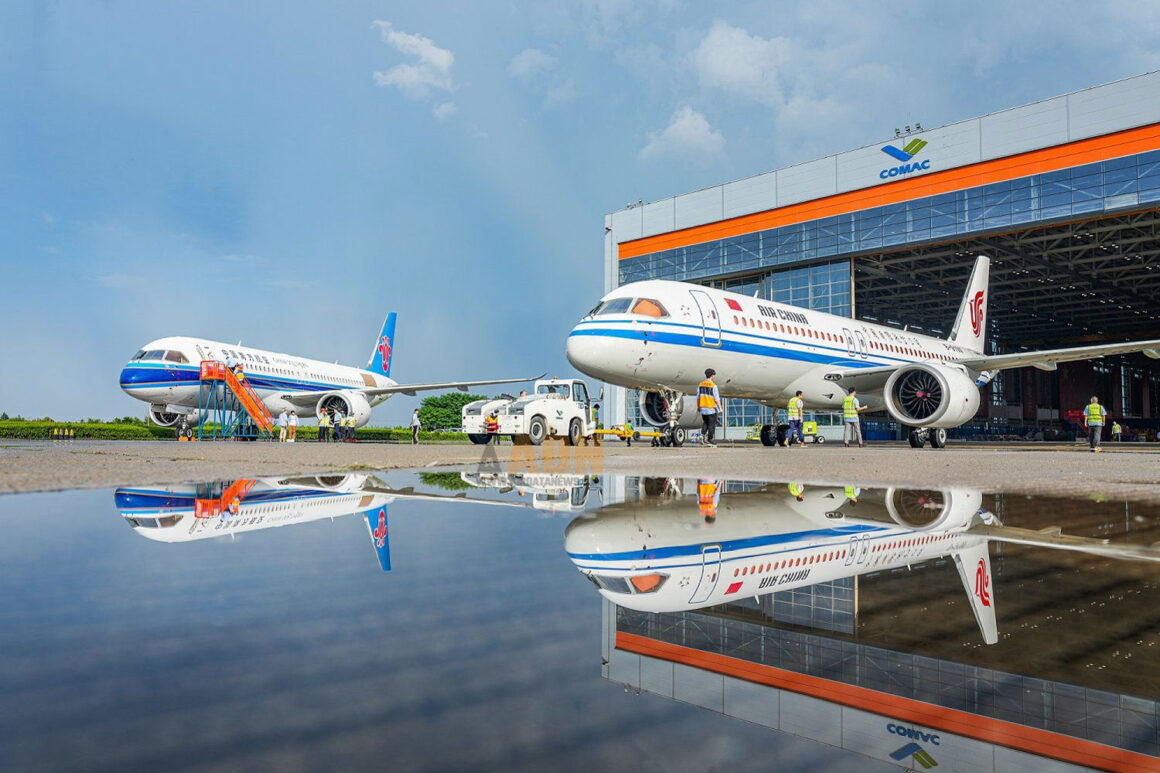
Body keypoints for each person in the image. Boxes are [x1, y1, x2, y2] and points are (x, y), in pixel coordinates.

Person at [697, 368, 721, 447]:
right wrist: (720, 408)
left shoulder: (700, 385)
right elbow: (716, 399)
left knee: (705, 423)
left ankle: (702, 436)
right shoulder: (713, 386)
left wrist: (698, 407)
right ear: (712, 376)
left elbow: (698, 397)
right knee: (711, 424)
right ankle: (710, 439)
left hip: (703, 408)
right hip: (711, 408)